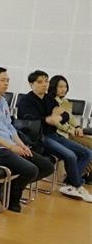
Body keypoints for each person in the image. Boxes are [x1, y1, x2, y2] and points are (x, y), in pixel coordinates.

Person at [0, 67, 54, 212]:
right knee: (31, 170)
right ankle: (12, 196)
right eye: (2, 80)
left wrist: (22, 145)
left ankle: (7, 188)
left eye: (7, 80)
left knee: (47, 167)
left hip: (10, 146)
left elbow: (9, 126)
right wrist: (11, 147)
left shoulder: (2, 101)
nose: (6, 83)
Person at [17, 71, 92, 201]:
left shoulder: (49, 99)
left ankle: (71, 184)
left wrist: (59, 117)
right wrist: (47, 119)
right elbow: (29, 122)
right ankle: (77, 185)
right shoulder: (26, 101)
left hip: (53, 135)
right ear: (31, 84)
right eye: (40, 82)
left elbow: (65, 115)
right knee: (70, 155)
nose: (44, 84)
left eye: (46, 81)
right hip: (40, 138)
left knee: (86, 153)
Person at [49, 75, 92, 183]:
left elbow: (71, 117)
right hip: (62, 134)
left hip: (71, 132)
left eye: (65, 86)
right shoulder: (52, 101)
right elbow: (57, 123)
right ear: (53, 87)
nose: (64, 89)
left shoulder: (64, 101)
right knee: (88, 149)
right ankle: (74, 177)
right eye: (60, 87)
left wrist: (78, 127)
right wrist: (71, 130)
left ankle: (77, 175)